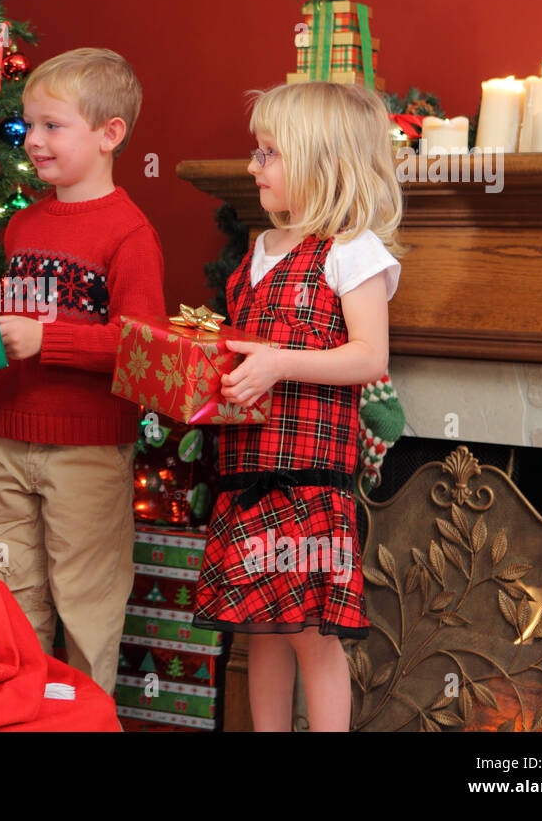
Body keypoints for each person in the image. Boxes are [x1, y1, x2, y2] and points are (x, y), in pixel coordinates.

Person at [191, 80, 405, 731]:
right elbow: (244, 353)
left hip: (309, 484)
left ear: (321, 162)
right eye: (256, 153)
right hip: (246, 476)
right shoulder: (257, 252)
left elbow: (369, 356)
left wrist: (281, 363)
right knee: (260, 630)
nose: (254, 167)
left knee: (312, 634)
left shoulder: (351, 250)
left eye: (268, 154)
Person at [0, 48, 165, 696]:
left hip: (85, 447)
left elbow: (144, 346)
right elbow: (8, 330)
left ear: (110, 134)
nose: (33, 140)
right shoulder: (23, 226)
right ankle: (19, 710)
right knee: (8, 594)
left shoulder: (129, 233)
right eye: (29, 125)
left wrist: (45, 339)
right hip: (4, 436)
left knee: (86, 600)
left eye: (53, 126)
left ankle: (84, 714)